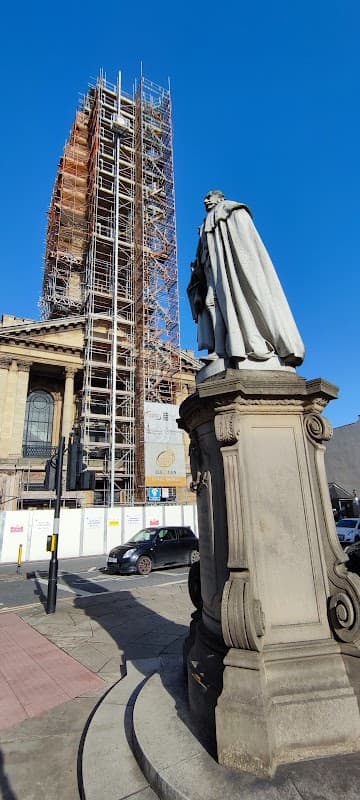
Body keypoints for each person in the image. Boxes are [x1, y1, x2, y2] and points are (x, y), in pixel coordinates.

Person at [187, 190, 305, 368]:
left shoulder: (229, 210)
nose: (205, 200)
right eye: (205, 198)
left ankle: (227, 349)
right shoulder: (205, 226)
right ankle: (218, 351)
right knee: (211, 303)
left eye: (209, 197)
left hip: (228, 274)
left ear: (220, 199)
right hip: (213, 275)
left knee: (224, 303)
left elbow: (243, 245)